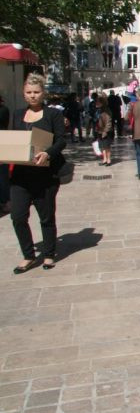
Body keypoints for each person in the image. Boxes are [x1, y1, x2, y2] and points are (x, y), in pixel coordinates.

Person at [9, 73, 67, 273]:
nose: (32, 96)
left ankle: (49, 254)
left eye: (36, 92)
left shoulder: (53, 114)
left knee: (46, 217)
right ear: (24, 93)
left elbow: (61, 140)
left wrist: (47, 153)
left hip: (45, 175)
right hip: (20, 175)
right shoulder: (17, 114)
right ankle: (28, 255)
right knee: (17, 216)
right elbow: (13, 139)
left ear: (43, 93)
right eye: (28, 92)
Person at [95, 96, 114, 166]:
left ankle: (108, 160)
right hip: (100, 130)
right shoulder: (99, 110)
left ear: (102, 103)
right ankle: (104, 159)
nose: (96, 103)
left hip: (105, 131)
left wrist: (106, 131)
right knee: (102, 146)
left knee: (107, 146)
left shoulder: (106, 110)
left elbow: (109, 121)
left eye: (98, 102)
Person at [0, 95, 10, 213]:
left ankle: (5, 200)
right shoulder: (5, 109)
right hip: (3, 141)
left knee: (2, 173)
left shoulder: (3, 110)